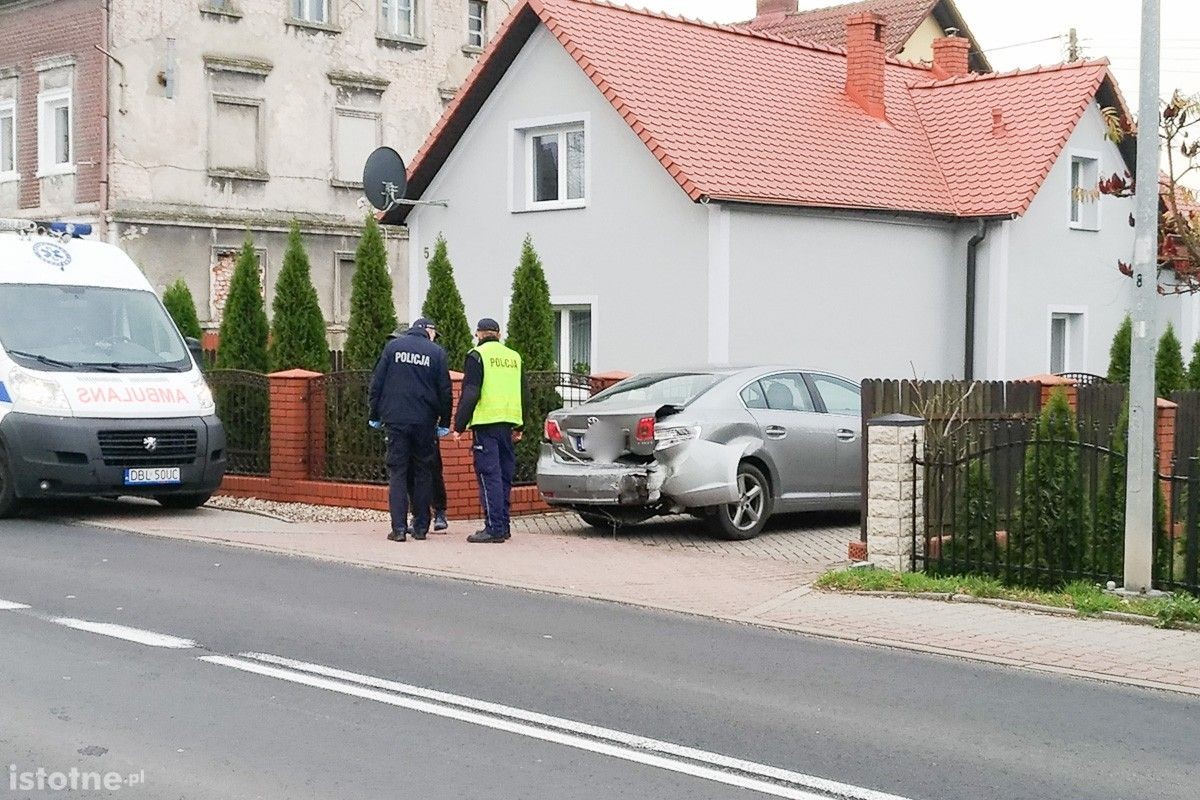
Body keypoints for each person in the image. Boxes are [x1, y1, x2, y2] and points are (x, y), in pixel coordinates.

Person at [369, 318, 452, 542]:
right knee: (423, 472)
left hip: (395, 420)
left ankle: (398, 529)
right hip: (425, 421)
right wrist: (444, 421)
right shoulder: (436, 353)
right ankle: (421, 527)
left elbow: (377, 383)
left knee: (398, 472)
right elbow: (445, 390)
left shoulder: (393, 348)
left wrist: (374, 415)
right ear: (427, 332)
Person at [453, 318, 525, 543]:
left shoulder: (477, 355)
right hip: (508, 423)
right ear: (499, 334)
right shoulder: (514, 357)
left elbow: (471, 391)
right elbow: (524, 393)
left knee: (488, 476)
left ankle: (493, 528)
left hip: (486, 424)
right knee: (503, 476)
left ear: (479, 334)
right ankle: (503, 526)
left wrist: (459, 425)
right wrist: (520, 425)